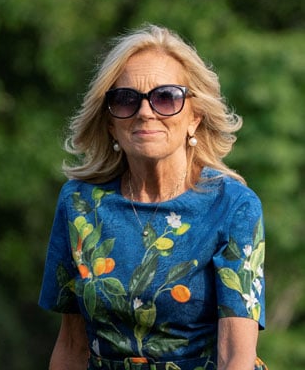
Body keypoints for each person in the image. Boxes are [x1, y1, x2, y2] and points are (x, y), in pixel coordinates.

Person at [39, 24, 267, 370]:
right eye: (126, 99)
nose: (145, 112)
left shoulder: (233, 206)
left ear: (195, 117)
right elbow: (71, 345)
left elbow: (236, 356)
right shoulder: (80, 204)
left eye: (166, 97)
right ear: (110, 122)